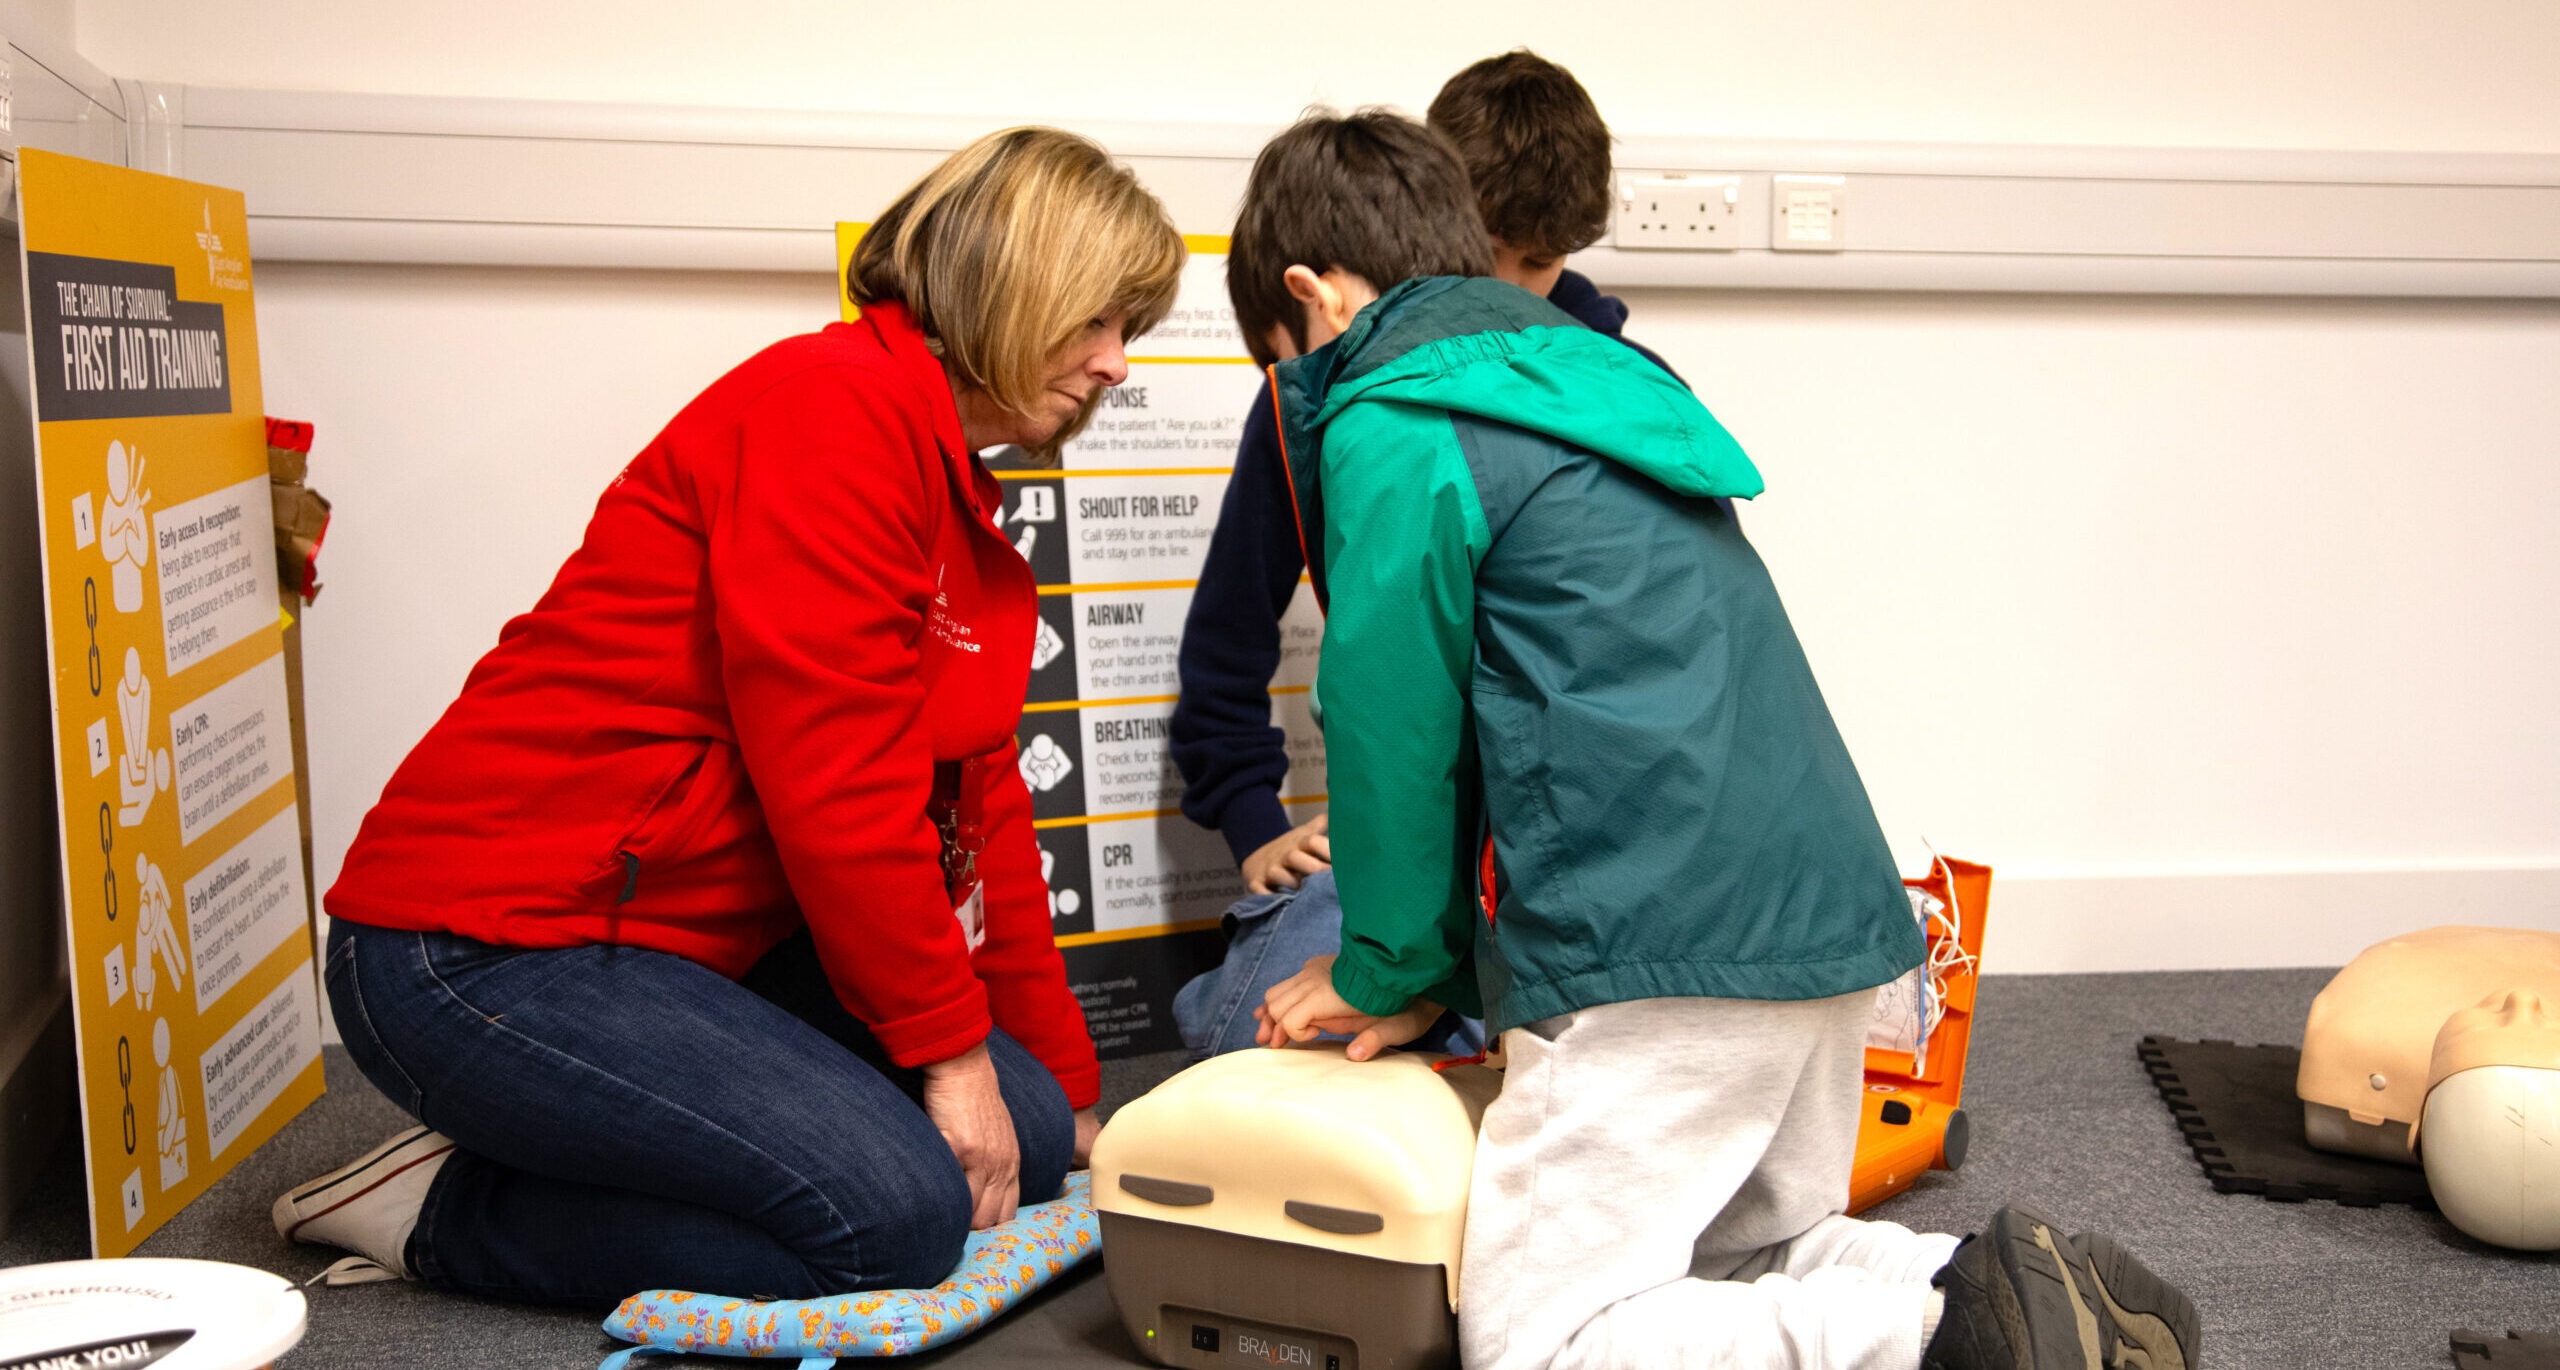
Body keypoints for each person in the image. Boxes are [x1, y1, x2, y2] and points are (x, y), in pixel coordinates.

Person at [1239, 110, 2203, 1370]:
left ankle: (1949, 1337)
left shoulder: (1393, 417)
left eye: (1284, 362)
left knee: (1541, 1342)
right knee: (1738, 1252)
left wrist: (1380, 966)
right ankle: (1982, 1278)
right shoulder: (1590, 384)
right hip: (1820, 915)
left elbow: (1391, 728)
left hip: (1655, 942)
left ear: (1310, 296)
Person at [271, 127, 1184, 1305]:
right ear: (1012, 287)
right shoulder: (831, 412)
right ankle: (444, 1203)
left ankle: (596, 1138)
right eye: (1097, 321)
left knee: (1031, 1130)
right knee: (893, 1219)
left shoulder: (945, 484)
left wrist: (1064, 1089)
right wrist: (948, 1055)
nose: (1116, 364)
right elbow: (840, 783)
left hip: (682, 949)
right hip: (485, 947)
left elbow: (979, 813)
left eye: (1129, 329)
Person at [1167, 52, 1670, 1059]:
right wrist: (1255, 821)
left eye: (1541, 264)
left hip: (1569, 855)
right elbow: (1232, 650)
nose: (1509, 290)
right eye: (1488, 255)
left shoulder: (1628, 392)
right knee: (1252, 1030)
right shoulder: (1316, 397)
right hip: (1405, 857)